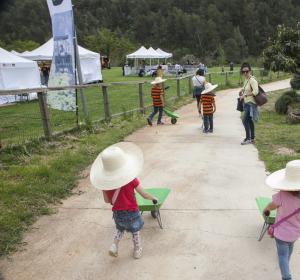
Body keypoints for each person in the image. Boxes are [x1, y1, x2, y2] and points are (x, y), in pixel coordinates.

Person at [90, 142, 157, 259]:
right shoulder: (131, 179)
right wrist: (153, 198)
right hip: (131, 213)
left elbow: (107, 201)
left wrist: (103, 189)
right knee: (135, 231)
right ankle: (137, 250)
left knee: (120, 229)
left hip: (117, 214)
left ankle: (114, 245)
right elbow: (144, 194)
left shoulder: (107, 185)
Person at [263, 160, 300, 280]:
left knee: (282, 255)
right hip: (295, 234)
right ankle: (286, 265)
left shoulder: (281, 195)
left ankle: (286, 276)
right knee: (290, 248)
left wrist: (266, 210)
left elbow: (271, 205)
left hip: (281, 234)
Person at [239, 62, 259, 145]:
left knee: (245, 120)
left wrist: (245, 95)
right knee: (249, 121)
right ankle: (252, 138)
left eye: (247, 71)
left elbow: (255, 92)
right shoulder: (246, 80)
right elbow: (245, 88)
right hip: (247, 103)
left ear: (250, 71)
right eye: (243, 72)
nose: (245, 73)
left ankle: (248, 138)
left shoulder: (252, 80)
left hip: (251, 103)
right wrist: (241, 90)